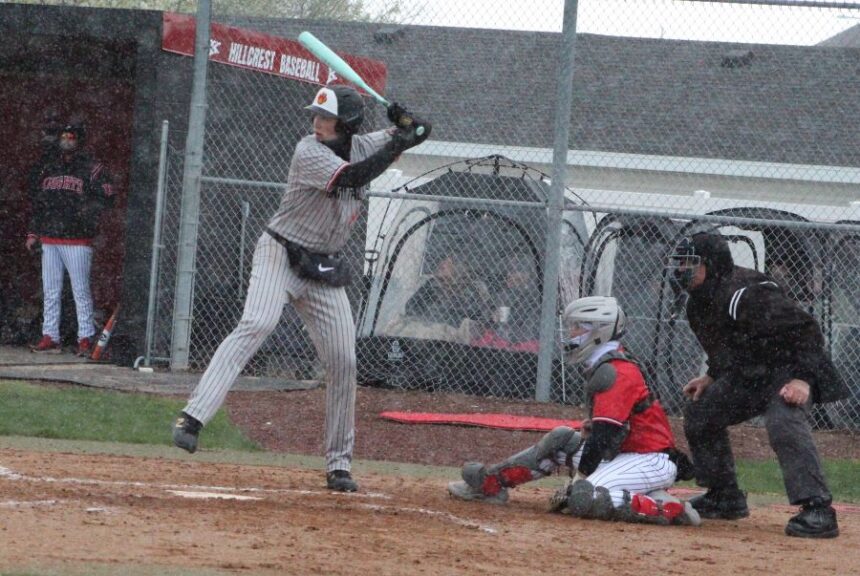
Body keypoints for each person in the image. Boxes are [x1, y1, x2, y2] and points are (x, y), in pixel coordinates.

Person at [172, 85, 431, 492]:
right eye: (315, 116)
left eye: (326, 118)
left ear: (346, 125)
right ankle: (193, 416)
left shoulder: (364, 144)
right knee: (257, 322)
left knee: (345, 360)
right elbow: (353, 176)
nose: (316, 123)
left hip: (322, 266)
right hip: (280, 252)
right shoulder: (308, 151)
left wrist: (406, 124)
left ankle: (338, 464)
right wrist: (399, 139)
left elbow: (421, 131)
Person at [447, 296, 700, 527]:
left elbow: (602, 437)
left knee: (585, 496)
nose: (572, 333)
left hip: (650, 460)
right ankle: (492, 485)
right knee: (561, 440)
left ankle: (667, 508)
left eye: (579, 327)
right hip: (626, 455)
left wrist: (578, 480)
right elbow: (608, 430)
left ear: (599, 331)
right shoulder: (605, 362)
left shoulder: (616, 370)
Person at [667, 231, 848, 538]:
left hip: (790, 369)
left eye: (689, 263)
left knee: (783, 422)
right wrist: (711, 375)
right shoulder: (699, 301)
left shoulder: (746, 293)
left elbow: (806, 331)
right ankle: (724, 496)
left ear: (710, 265)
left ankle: (818, 509)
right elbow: (728, 344)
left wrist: (802, 379)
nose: (680, 269)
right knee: (702, 412)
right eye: (680, 262)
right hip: (752, 374)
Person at [26, 120, 115, 356]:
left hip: (77, 239)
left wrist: (86, 215)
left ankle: (84, 337)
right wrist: (33, 233)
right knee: (50, 290)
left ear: (79, 140)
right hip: (49, 238)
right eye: (64, 137)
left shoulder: (91, 168)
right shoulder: (49, 167)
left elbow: (108, 197)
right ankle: (50, 335)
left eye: (71, 137)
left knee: (80, 290)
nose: (66, 141)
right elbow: (39, 203)